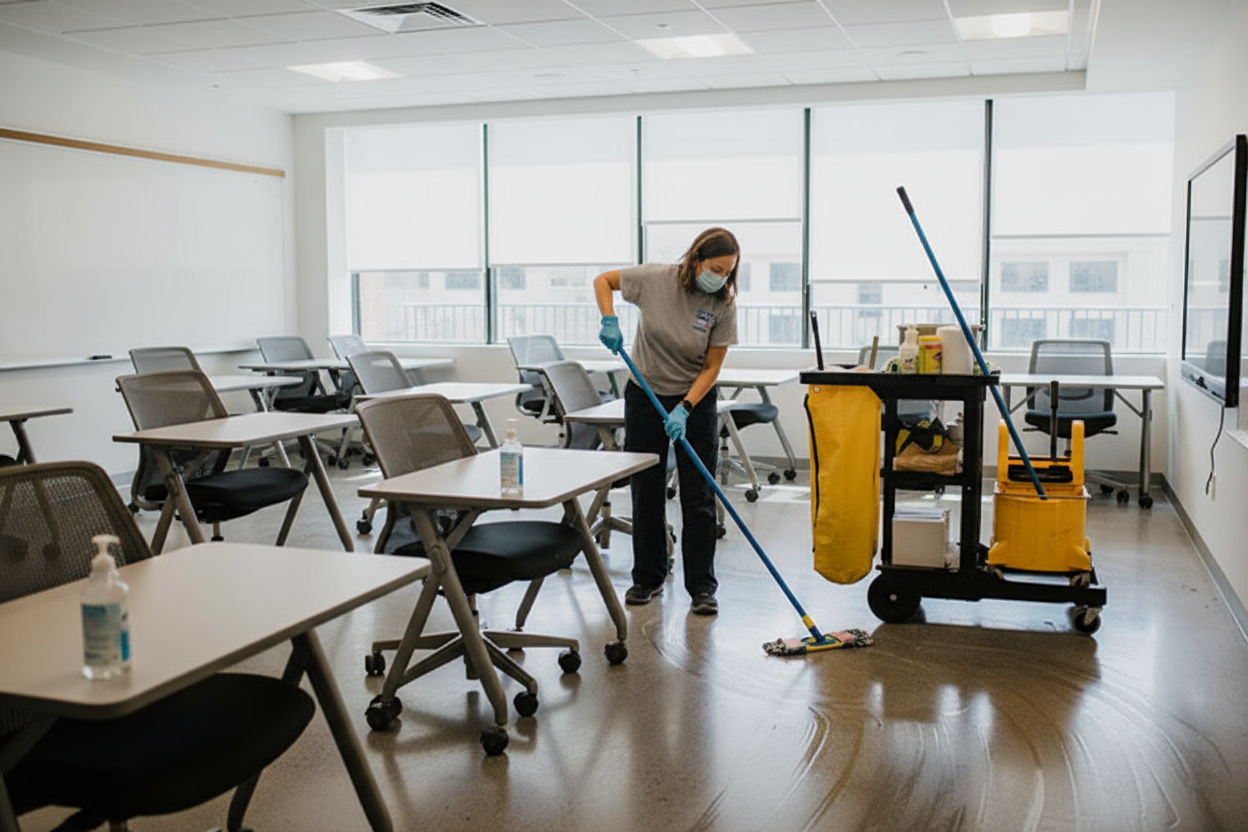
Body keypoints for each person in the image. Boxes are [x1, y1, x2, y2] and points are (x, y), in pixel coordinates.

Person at [593, 227, 740, 616]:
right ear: (695, 259)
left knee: (698, 493)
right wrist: (609, 319)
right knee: (647, 487)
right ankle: (648, 577)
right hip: (645, 392)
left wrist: (686, 408)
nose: (721, 278)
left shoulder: (723, 303)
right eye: (716, 269)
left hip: (695, 398)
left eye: (728, 272)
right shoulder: (655, 279)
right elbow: (603, 281)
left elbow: (712, 367)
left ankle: (702, 587)